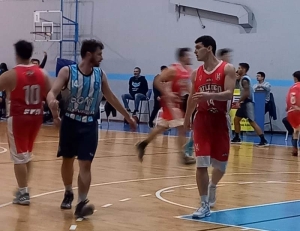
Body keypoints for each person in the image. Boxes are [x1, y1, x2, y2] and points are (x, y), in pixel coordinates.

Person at [47, 39, 136, 218]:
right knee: (67, 160)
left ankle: (81, 202)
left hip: (89, 124)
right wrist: (52, 105)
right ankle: (68, 191)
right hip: (70, 123)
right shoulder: (67, 72)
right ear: (89, 54)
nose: (101, 58)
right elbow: (51, 92)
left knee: (86, 164)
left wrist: (127, 116)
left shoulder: (100, 74)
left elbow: (110, 97)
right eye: (99, 54)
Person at [183, 35, 236, 218]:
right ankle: (204, 204)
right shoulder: (196, 73)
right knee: (201, 163)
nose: (195, 51)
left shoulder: (227, 69)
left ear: (209, 48)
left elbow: (229, 94)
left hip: (220, 121)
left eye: (198, 47)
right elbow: (192, 97)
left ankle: (213, 185)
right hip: (202, 121)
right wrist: (187, 119)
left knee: (221, 166)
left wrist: (207, 95)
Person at [0, 40, 51, 205]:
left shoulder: (11, 74)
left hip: (18, 118)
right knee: (26, 155)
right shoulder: (42, 73)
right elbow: (51, 94)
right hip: (36, 117)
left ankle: (23, 193)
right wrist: (56, 114)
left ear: (16, 54)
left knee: (18, 157)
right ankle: (24, 188)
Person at [136, 48, 196, 165]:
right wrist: (167, 93)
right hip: (170, 102)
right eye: (188, 55)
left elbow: (186, 87)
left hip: (177, 102)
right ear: (182, 57)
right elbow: (157, 80)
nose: (190, 57)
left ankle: (143, 144)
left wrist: (194, 96)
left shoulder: (188, 70)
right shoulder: (174, 69)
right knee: (182, 127)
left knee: (162, 127)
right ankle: (183, 155)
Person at [184, 48, 234, 157]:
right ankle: (191, 145)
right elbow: (193, 95)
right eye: (228, 56)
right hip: (207, 110)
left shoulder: (227, 70)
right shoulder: (209, 70)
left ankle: (192, 145)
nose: (229, 58)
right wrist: (187, 117)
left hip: (221, 114)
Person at [231, 63, 268, 146]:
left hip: (247, 103)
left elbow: (247, 93)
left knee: (252, 122)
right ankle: (237, 137)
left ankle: (263, 140)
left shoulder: (245, 80)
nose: (238, 69)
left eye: (239, 68)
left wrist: (238, 101)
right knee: (236, 120)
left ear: (244, 70)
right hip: (244, 103)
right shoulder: (241, 79)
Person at [286, 71, 300, 156]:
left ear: (295, 78)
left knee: (295, 130)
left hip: (291, 112)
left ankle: (294, 148)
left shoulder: (292, 87)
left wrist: (289, 109)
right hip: (298, 109)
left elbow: (287, 99)